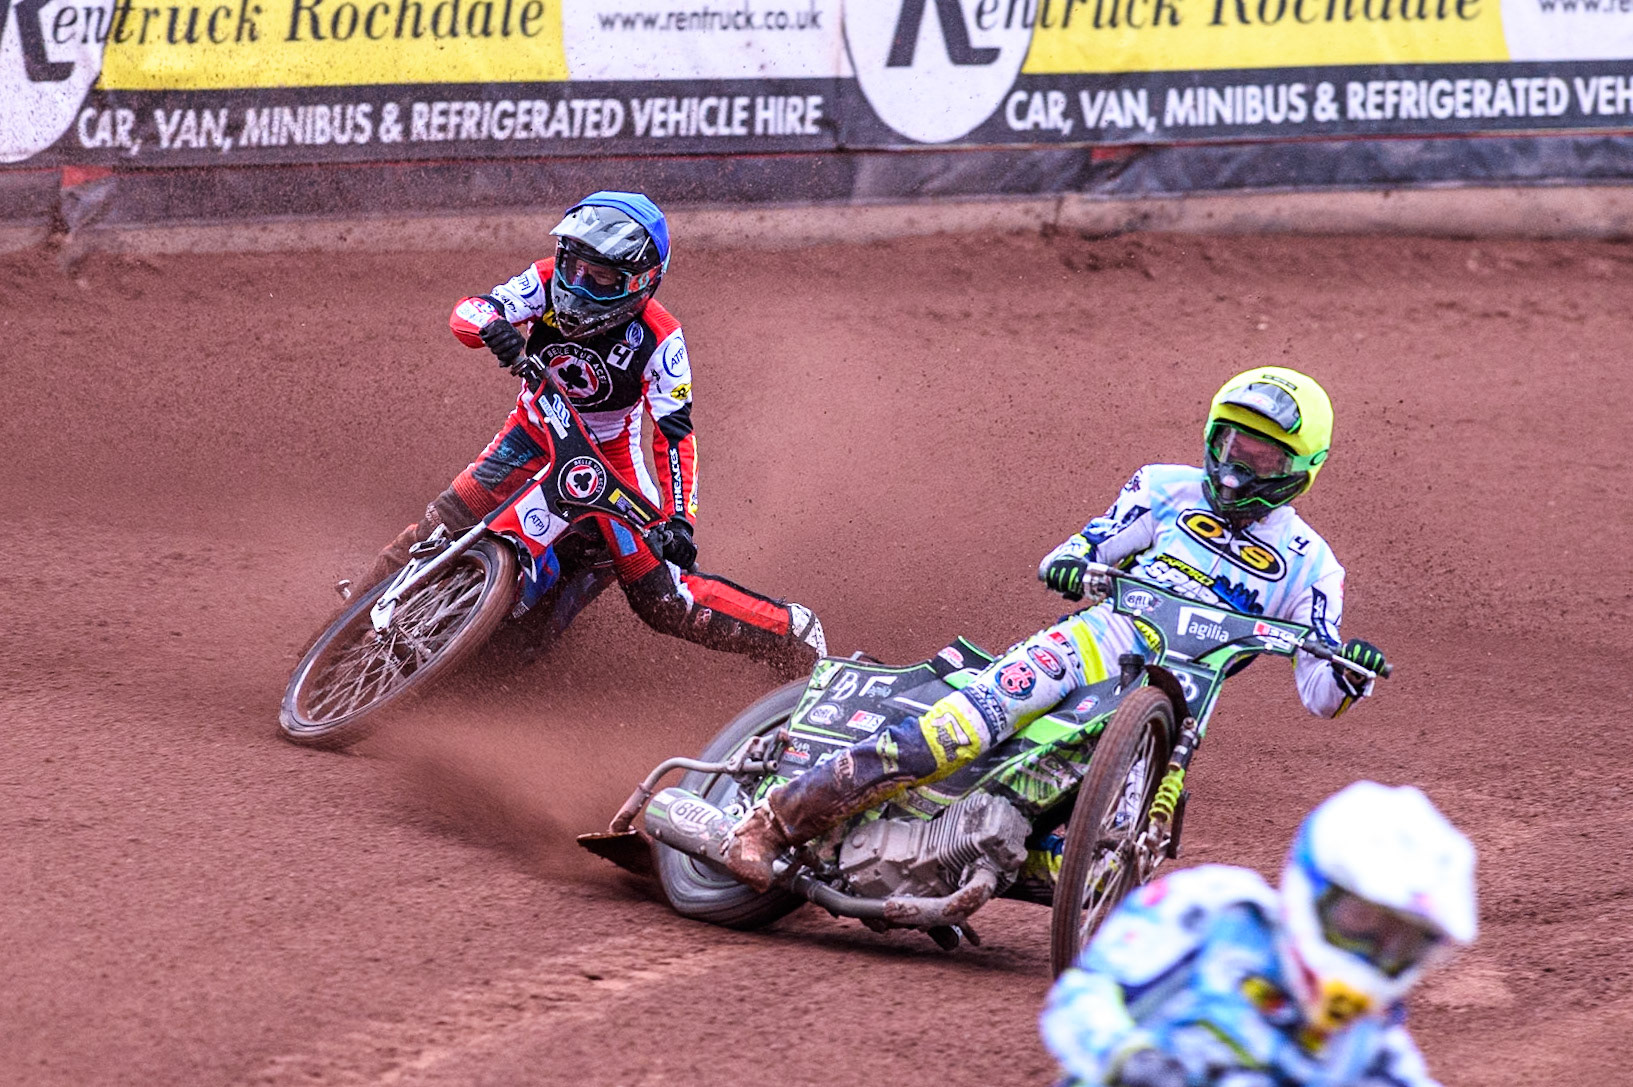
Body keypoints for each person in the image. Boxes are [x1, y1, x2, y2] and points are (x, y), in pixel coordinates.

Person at [722, 366, 1386, 890]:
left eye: (1262, 459)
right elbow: (1077, 549)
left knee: (1106, 841)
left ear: (1302, 468)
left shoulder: (1312, 565)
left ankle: (972, 858)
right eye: (1229, 444)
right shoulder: (1164, 487)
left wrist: (1350, 671)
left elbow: (1321, 690)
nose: (1237, 467)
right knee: (954, 733)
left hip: (1173, 704)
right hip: (1092, 643)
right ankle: (771, 823)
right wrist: (1072, 566)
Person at [364, 191, 825, 676]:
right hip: (532, 433)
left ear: (639, 281)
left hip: (609, 465)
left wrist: (679, 520)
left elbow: (673, 433)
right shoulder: (545, 279)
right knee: (437, 526)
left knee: (663, 600)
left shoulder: (662, 338)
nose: (579, 283)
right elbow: (470, 309)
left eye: (601, 276)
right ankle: (349, 618)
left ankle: (789, 632)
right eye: (575, 266)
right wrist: (491, 325)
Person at [1039, 781, 1477, 1086]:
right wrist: (1132, 1060)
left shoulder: (1371, 1042)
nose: (1373, 951)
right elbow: (1085, 991)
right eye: (1361, 920)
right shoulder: (1218, 913)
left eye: (1402, 942)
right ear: (1317, 887)